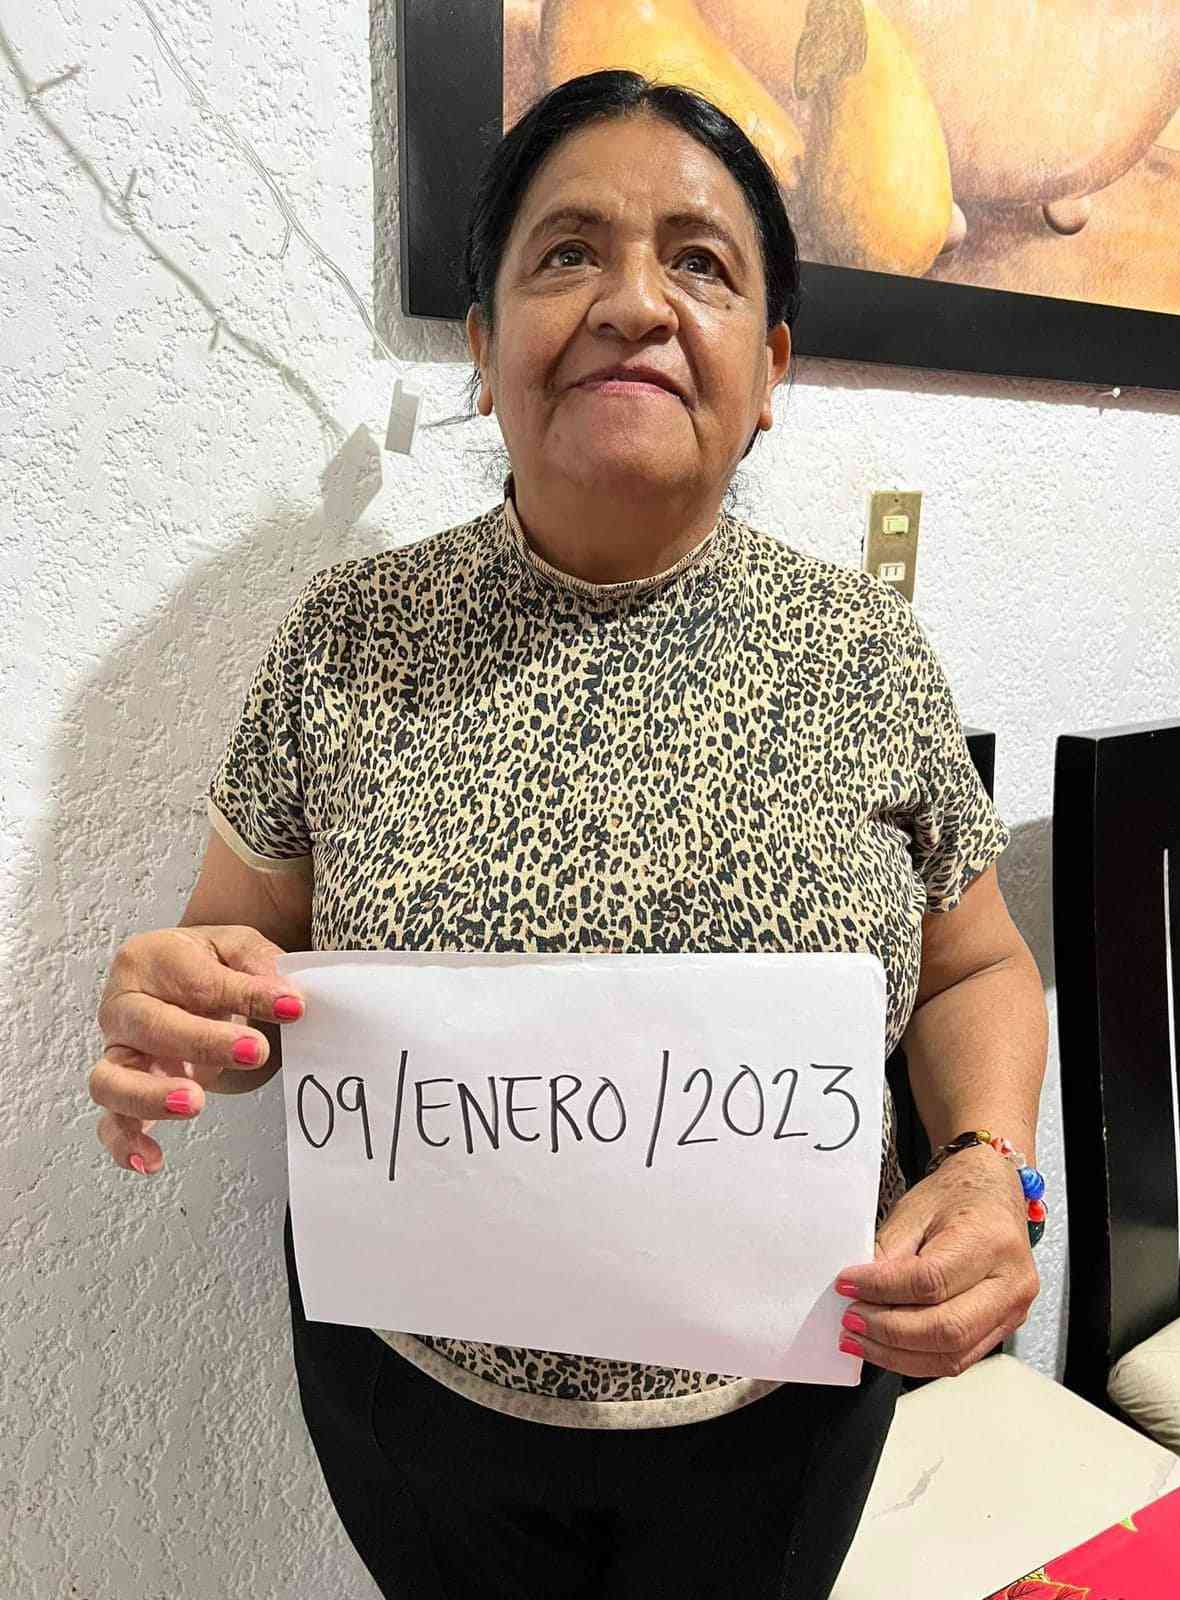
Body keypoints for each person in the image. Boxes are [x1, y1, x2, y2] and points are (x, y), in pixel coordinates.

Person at [89, 70, 1047, 1600]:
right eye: (567, 253)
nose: (634, 304)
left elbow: (977, 968)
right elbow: (244, 958)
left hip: (783, 1411)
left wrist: (997, 1165)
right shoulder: (351, 638)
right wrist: (182, 1007)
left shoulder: (864, 654)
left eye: (702, 263)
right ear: (483, 350)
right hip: (414, 1399)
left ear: (770, 368)